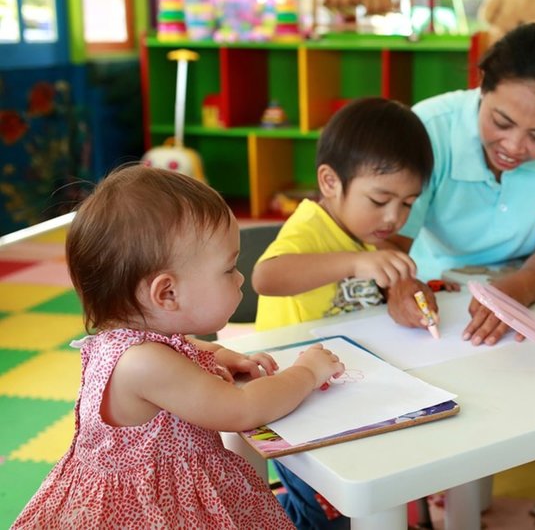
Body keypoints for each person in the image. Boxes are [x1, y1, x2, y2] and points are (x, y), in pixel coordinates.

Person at [12, 165, 345, 529]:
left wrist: (225, 357)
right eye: (228, 268)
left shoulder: (136, 339)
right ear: (167, 293)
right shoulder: (143, 363)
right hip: (155, 511)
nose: (240, 277)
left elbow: (190, 350)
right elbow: (243, 409)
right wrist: (307, 372)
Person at [252, 96, 434, 528]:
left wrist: (408, 291)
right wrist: (356, 262)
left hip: (344, 384)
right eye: (381, 199)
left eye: (408, 203)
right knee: (320, 511)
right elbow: (266, 277)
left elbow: (386, 286)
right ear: (331, 182)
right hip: (291, 397)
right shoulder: (312, 225)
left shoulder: (367, 230)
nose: (394, 217)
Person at [386, 22, 535, 346]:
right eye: (501, 122)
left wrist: (523, 287)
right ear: (482, 85)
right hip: (433, 286)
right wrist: (398, 285)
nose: (514, 146)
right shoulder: (429, 129)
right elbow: (388, 242)